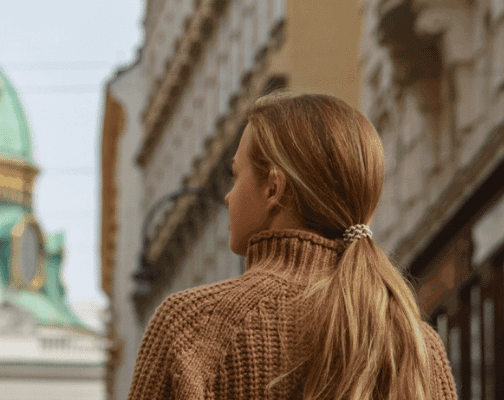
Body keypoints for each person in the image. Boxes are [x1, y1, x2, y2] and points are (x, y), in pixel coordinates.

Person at [127, 93, 457, 399]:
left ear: (273, 188)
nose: (228, 196)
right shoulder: (416, 343)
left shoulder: (193, 326)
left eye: (235, 175)